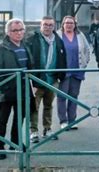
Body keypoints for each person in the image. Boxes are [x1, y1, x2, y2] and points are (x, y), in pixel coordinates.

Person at [0, 18, 34, 160]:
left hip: (24, 89)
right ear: (8, 32)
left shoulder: (25, 47)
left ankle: (15, 143)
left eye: (21, 30)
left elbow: (30, 67)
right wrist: (6, 87)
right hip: (7, 91)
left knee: (19, 118)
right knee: (3, 119)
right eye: (15, 30)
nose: (19, 33)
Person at [26, 15, 66, 143]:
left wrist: (61, 77)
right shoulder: (32, 39)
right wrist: (31, 80)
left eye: (50, 25)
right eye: (45, 25)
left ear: (54, 27)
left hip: (52, 80)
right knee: (34, 107)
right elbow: (28, 59)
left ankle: (47, 129)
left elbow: (62, 58)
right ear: (41, 25)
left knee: (48, 106)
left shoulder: (58, 40)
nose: (48, 27)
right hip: (37, 80)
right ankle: (33, 132)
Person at [57, 15, 90, 130]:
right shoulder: (58, 35)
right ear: (63, 24)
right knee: (62, 96)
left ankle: (72, 120)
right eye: (67, 23)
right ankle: (63, 121)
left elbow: (87, 49)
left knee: (73, 96)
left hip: (77, 71)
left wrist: (84, 63)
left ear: (75, 24)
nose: (69, 25)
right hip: (63, 72)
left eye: (71, 23)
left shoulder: (80, 36)